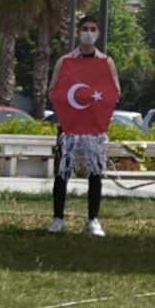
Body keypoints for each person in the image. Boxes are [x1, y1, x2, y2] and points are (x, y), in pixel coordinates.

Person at [50, 16, 115, 238]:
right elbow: (54, 92)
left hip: (94, 129)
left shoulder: (106, 62)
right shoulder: (66, 61)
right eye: (85, 29)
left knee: (95, 173)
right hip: (69, 127)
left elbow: (112, 93)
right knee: (62, 172)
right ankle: (58, 218)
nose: (88, 32)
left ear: (98, 33)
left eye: (92, 29)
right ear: (78, 32)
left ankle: (93, 220)